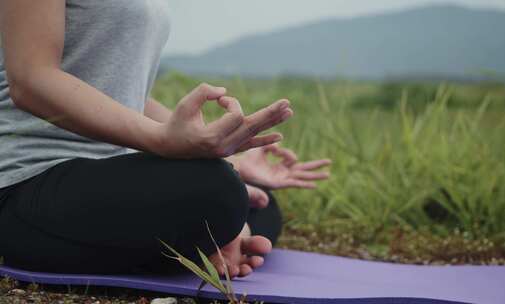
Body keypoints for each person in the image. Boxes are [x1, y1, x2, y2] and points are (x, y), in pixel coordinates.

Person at [0, 0, 331, 277]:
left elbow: (125, 96)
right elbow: (32, 79)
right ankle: (214, 240)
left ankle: (214, 238)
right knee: (220, 193)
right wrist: (164, 140)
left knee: (258, 199)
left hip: (108, 181)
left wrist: (229, 160)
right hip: (26, 181)